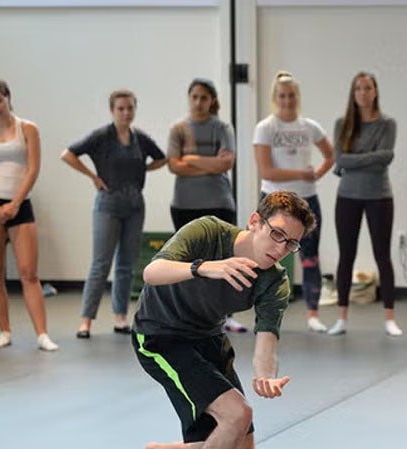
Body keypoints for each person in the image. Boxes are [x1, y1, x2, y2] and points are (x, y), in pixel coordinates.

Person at [134, 190, 316, 449]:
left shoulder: (273, 280)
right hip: (160, 335)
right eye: (276, 234)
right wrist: (206, 267)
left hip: (206, 338)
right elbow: (151, 272)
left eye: (291, 243)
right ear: (254, 222)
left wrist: (265, 375)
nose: (280, 248)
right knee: (236, 415)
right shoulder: (208, 231)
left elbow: (267, 341)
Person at [62, 89, 167, 338]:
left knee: (126, 264)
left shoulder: (139, 138)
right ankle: (86, 320)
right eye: (121, 108)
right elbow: (68, 154)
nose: (126, 112)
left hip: (134, 204)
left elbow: (162, 159)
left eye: (130, 108)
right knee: (100, 263)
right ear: (112, 110)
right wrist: (93, 177)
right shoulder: (101, 136)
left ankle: (120, 317)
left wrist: (142, 170)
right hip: (108, 204)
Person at [0, 79, 57, 351]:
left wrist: (15, 203)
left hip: (20, 205)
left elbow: (32, 168)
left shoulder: (28, 129)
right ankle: (4, 331)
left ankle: (42, 334)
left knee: (28, 272)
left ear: (8, 98)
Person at [253, 71, 334, 333]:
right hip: (274, 199)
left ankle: (313, 313)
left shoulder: (309, 126)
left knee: (310, 256)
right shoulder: (266, 128)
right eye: (282, 96)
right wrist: (302, 173)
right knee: (264, 255)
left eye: (291, 95)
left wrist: (316, 175)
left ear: (297, 97)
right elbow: (266, 171)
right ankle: (261, 312)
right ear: (275, 98)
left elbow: (330, 156)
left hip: (305, 199)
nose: (287, 100)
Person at [167, 77, 248, 334]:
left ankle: (226, 315)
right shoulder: (178, 129)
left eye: (204, 97)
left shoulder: (223, 128)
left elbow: (225, 164)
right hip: (185, 205)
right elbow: (173, 165)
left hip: (219, 202)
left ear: (212, 100)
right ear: (189, 98)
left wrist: (190, 158)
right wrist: (208, 163)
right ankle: (191, 314)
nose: (199, 102)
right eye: (194, 97)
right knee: (188, 262)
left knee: (224, 260)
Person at [327, 72, 402, 337]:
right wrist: (368, 158)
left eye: (367, 88)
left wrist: (353, 158)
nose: (363, 92)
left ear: (375, 91)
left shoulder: (387, 124)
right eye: (358, 88)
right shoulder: (342, 124)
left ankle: (390, 318)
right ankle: (342, 317)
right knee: (346, 256)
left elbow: (387, 157)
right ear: (353, 93)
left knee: (383, 255)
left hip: (379, 196)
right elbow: (340, 159)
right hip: (347, 196)